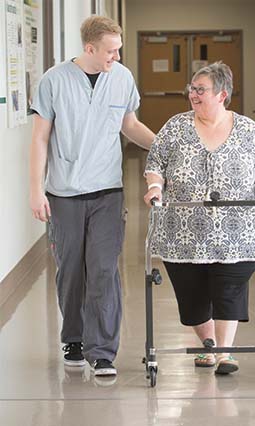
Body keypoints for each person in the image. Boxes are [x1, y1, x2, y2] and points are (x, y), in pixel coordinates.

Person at [144, 61, 255, 375]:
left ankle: (226, 352)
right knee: (192, 293)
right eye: (192, 89)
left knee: (228, 287)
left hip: (239, 232)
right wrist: (155, 188)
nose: (193, 95)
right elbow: (155, 161)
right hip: (183, 231)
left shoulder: (249, 131)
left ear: (222, 94)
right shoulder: (175, 126)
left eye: (201, 90)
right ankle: (208, 345)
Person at [30, 15, 155, 377]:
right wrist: (36, 190)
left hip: (107, 191)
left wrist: (165, 146)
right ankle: (73, 337)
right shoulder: (54, 81)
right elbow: (39, 138)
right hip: (64, 193)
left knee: (103, 269)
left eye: (118, 50)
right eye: (110, 51)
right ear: (89, 48)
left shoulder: (122, 78)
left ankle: (101, 351)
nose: (116, 57)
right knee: (71, 271)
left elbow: (129, 125)